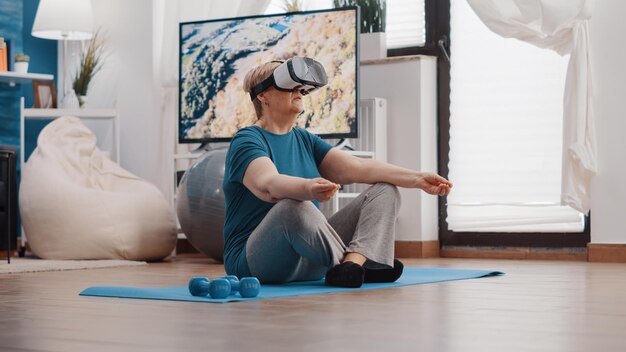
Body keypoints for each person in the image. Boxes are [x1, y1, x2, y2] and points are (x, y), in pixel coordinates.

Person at [223, 57, 452, 288]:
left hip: (311, 257)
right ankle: (364, 263)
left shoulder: (305, 139)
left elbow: (358, 168)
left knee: (385, 189)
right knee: (292, 205)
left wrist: (418, 178)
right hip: (256, 263)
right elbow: (268, 185)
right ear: (262, 95)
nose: (299, 91)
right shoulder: (247, 140)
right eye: (288, 83)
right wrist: (308, 188)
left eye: (301, 87)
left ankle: (351, 265)